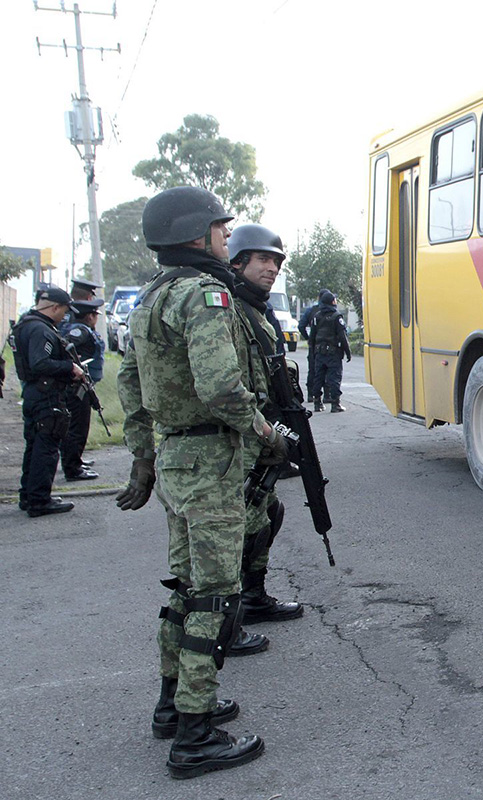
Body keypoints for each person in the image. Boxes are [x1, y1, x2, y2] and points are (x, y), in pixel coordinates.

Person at [115, 186, 288, 778]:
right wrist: (269, 436)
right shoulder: (204, 295)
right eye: (219, 227)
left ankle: (172, 705)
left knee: (185, 589)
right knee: (214, 595)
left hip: (174, 459)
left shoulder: (150, 298)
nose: (224, 236)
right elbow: (220, 388)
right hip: (213, 458)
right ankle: (194, 734)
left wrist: (142, 460)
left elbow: (132, 386)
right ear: (196, 234)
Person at [226, 223, 305, 624]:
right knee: (252, 518)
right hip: (242, 432)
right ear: (238, 262)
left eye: (276, 261)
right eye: (262, 259)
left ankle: (252, 596)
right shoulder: (231, 309)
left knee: (267, 513)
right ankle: (237, 603)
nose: (271, 267)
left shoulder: (259, 309)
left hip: (263, 426)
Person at [13, 286, 83, 517]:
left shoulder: (25, 323)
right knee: (46, 448)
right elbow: (40, 363)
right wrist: (69, 367)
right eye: (63, 311)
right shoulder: (40, 330)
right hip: (46, 396)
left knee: (34, 446)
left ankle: (29, 496)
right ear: (54, 307)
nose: (64, 316)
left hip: (34, 393)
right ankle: (40, 500)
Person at [59, 298, 106, 481]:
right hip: (76, 385)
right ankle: (73, 467)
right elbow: (66, 348)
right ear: (89, 316)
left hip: (82, 383)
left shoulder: (83, 330)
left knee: (79, 425)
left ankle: (75, 460)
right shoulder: (79, 331)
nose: (96, 319)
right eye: (95, 315)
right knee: (77, 426)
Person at [309, 290, 351, 412]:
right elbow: (342, 336)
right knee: (334, 378)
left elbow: (312, 336)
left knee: (318, 377)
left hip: (319, 352)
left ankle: (317, 402)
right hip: (333, 353)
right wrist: (347, 352)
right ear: (332, 301)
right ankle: (335, 404)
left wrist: (313, 352)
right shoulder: (336, 317)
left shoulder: (317, 316)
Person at [297, 290, 327, 404]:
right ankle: (327, 396)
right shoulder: (333, 312)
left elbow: (301, 326)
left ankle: (311, 395)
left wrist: (308, 338)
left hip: (314, 345)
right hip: (330, 347)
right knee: (329, 370)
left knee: (313, 370)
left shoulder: (311, 311)